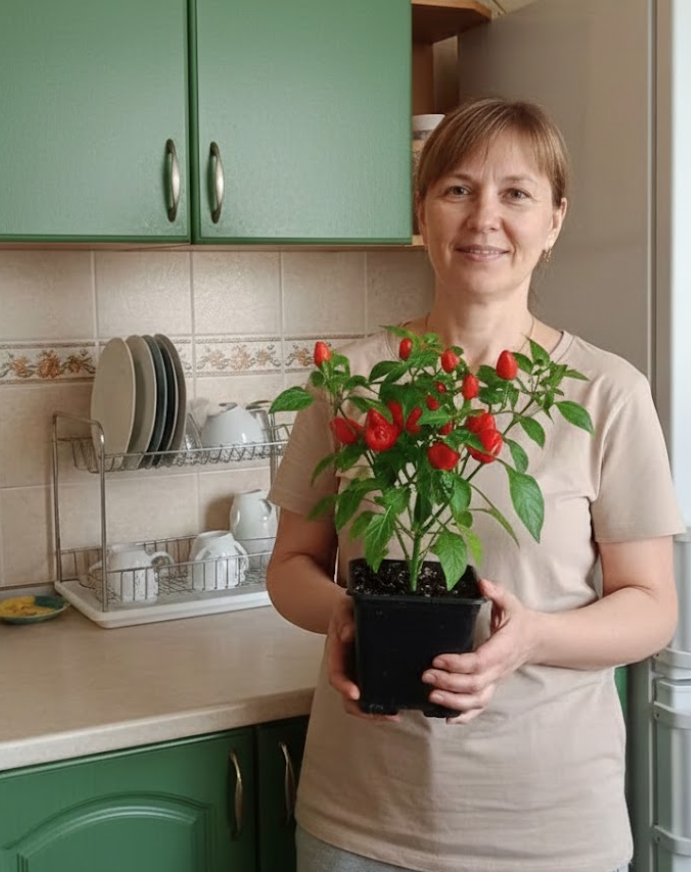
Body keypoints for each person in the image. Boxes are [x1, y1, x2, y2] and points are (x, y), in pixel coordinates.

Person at [266, 97, 685, 872]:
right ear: (422, 212)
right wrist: (348, 617)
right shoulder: (351, 382)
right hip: (358, 820)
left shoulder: (607, 393)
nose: (483, 217)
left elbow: (653, 607)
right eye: (457, 189)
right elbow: (291, 567)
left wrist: (534, 637)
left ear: (554, 221)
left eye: (516, 193)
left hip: (549, 833)